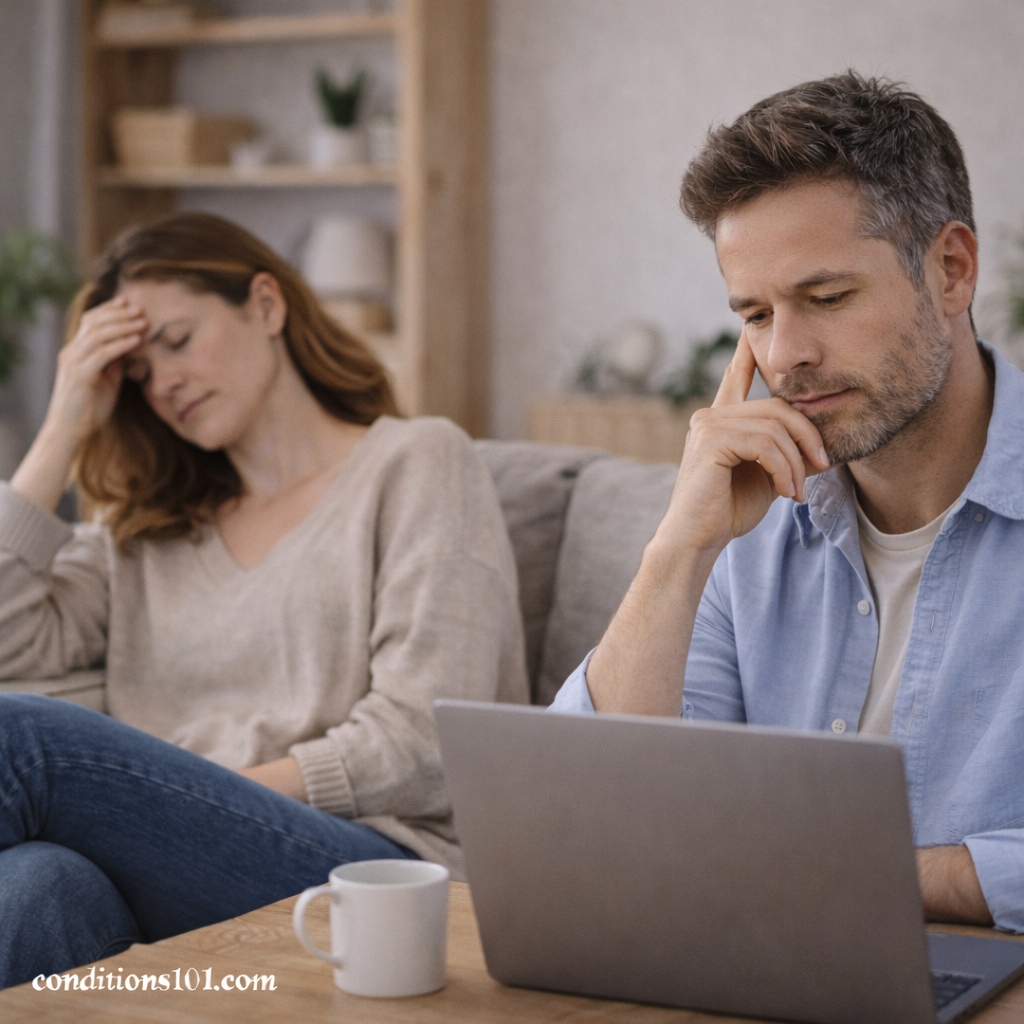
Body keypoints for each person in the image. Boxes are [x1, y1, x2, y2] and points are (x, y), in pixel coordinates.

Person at [0, 212, 528, 989]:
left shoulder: (417, 463)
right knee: (40, 884)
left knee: (24, 743)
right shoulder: (145, 522)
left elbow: (422, 742)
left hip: (375, 867)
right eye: (139, 373)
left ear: (267, 305)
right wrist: (60, 431)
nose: (163, 382)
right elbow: (11, 644)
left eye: (176, 342)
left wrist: (187, 799)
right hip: (174, 864)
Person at [551, 71, 1024, 935]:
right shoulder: (750, 521)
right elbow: (590, 820)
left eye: (827, 298)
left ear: (951, 270)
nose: (787, 354)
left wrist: (844, 871)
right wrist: (678, 550)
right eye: (756, 314)